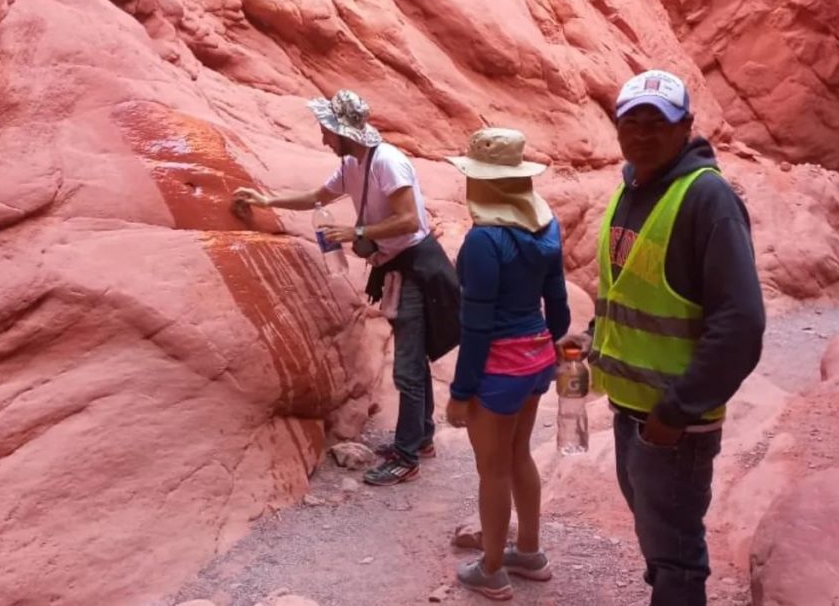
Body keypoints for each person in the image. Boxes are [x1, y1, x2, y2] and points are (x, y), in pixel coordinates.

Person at [560, 70, 766, 606]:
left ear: (685, 128)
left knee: (675, 557)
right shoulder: (631, 188)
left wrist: (676, 413)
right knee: (659, 547)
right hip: (634, 412)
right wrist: (593, 339)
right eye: (633, 122)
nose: (644, 134)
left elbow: (741, 324)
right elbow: (634, 291)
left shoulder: (706, 199)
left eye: (659, 123)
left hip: (675, 424)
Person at [233, 89, 459, 487]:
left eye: (326, 132)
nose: (323, 139)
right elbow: (317, 197)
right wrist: (267, 201)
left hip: (416, 267)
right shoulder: (353, 163)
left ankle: (407, 457)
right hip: (394, 265)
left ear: (342, 131)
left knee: (407, 365)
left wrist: (358, 231)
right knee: (413, 354)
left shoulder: (387, 162)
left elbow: (408, 221)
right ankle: (420, 439)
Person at [443, 128, 570, 601]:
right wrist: (552, 349)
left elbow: (476, 327)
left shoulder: (484, 240)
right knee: (520, 456)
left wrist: (460, 392)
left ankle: (493, 569)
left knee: (492, 469)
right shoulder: (547, 226)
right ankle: (530, 553)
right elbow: (557, 303)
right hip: (535, 357)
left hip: (497, 369)